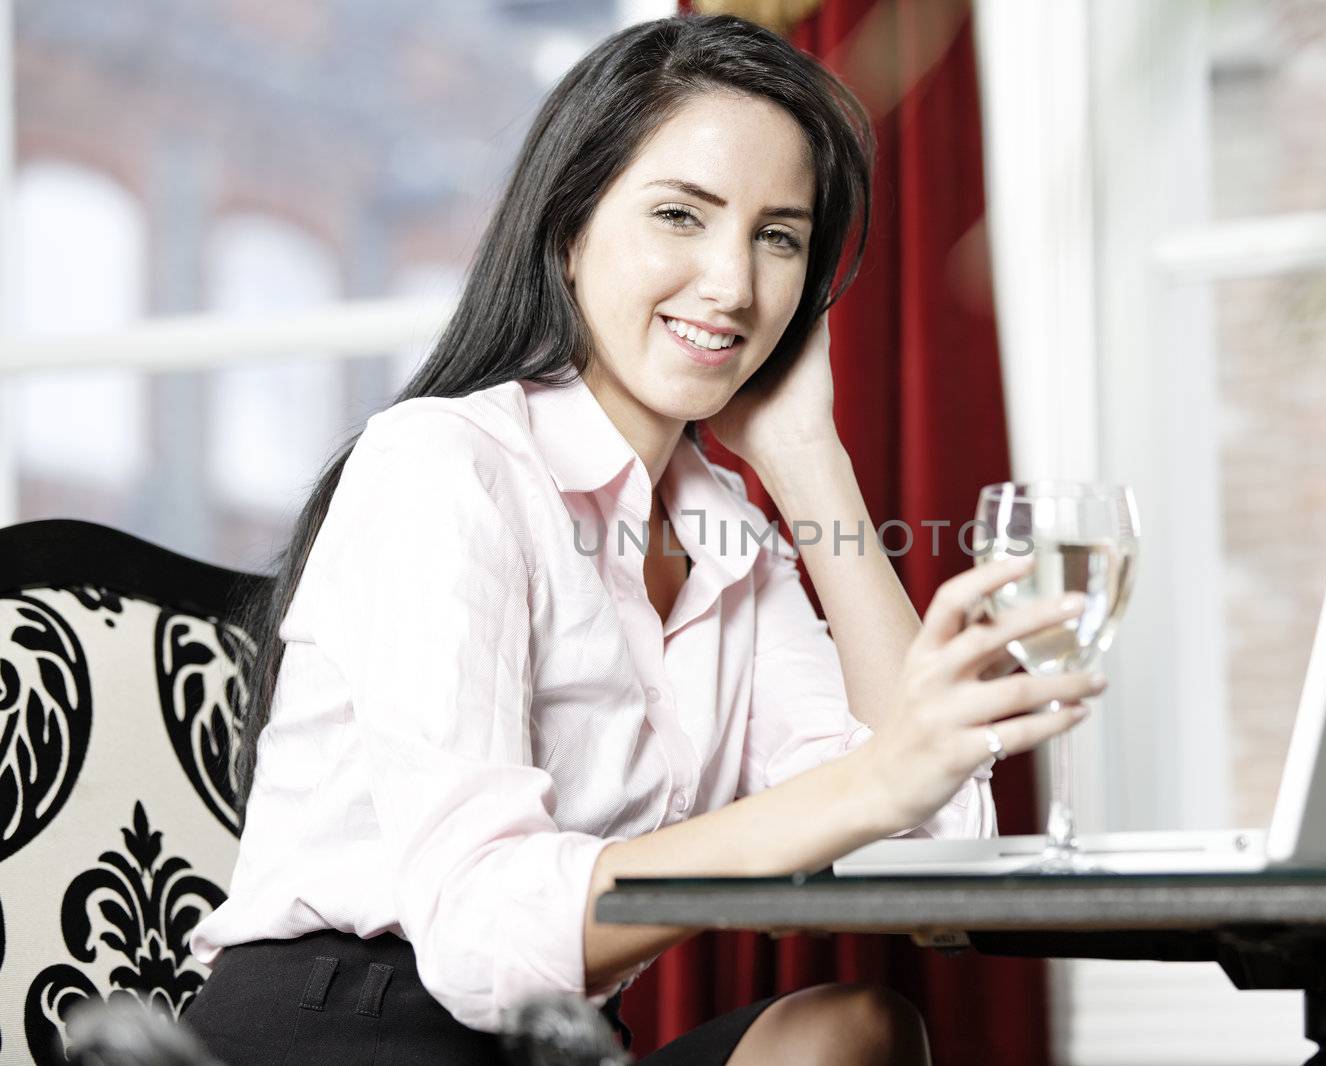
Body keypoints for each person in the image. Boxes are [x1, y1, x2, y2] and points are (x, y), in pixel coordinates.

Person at [182, 12, 1103, 1066]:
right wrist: (875, 781)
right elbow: (480, 934)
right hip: (338, 1033)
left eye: (778, 236)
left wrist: (810, 459)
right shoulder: (442, 464)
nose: (733, 285)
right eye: (680, 215)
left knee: (852, 1032)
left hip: (556, 1046)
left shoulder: (728, 531)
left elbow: (936, 844)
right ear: (569, 229)